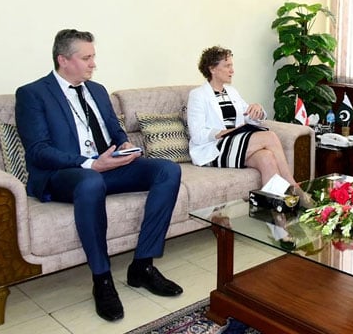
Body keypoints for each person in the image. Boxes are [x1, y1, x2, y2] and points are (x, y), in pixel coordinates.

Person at [15, 29, 183, 322]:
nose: (94, 64)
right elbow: (38, 151)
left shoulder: (97, 90)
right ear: (63, 60)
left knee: (167, 170)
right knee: (91, 181)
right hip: (65, 174)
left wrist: (125, 144)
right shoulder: (33, 94)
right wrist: (90, 164)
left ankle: (142, 265)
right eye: (86, 58)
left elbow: (113, 129)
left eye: (94, 57)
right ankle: (102, 279)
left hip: (108, 165)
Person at [186, 46, 308, 244]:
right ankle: (293, 186)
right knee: (268, 137)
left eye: (232, 65)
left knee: (267, 158)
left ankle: (278, 222)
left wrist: (258, 111)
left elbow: (250, 118)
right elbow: (198, 135)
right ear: (212, 69)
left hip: (234, 143)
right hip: (214, 149)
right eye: (227, 66)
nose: (232, 70)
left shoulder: (232, 92)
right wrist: (221, 133)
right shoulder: (198, 95)